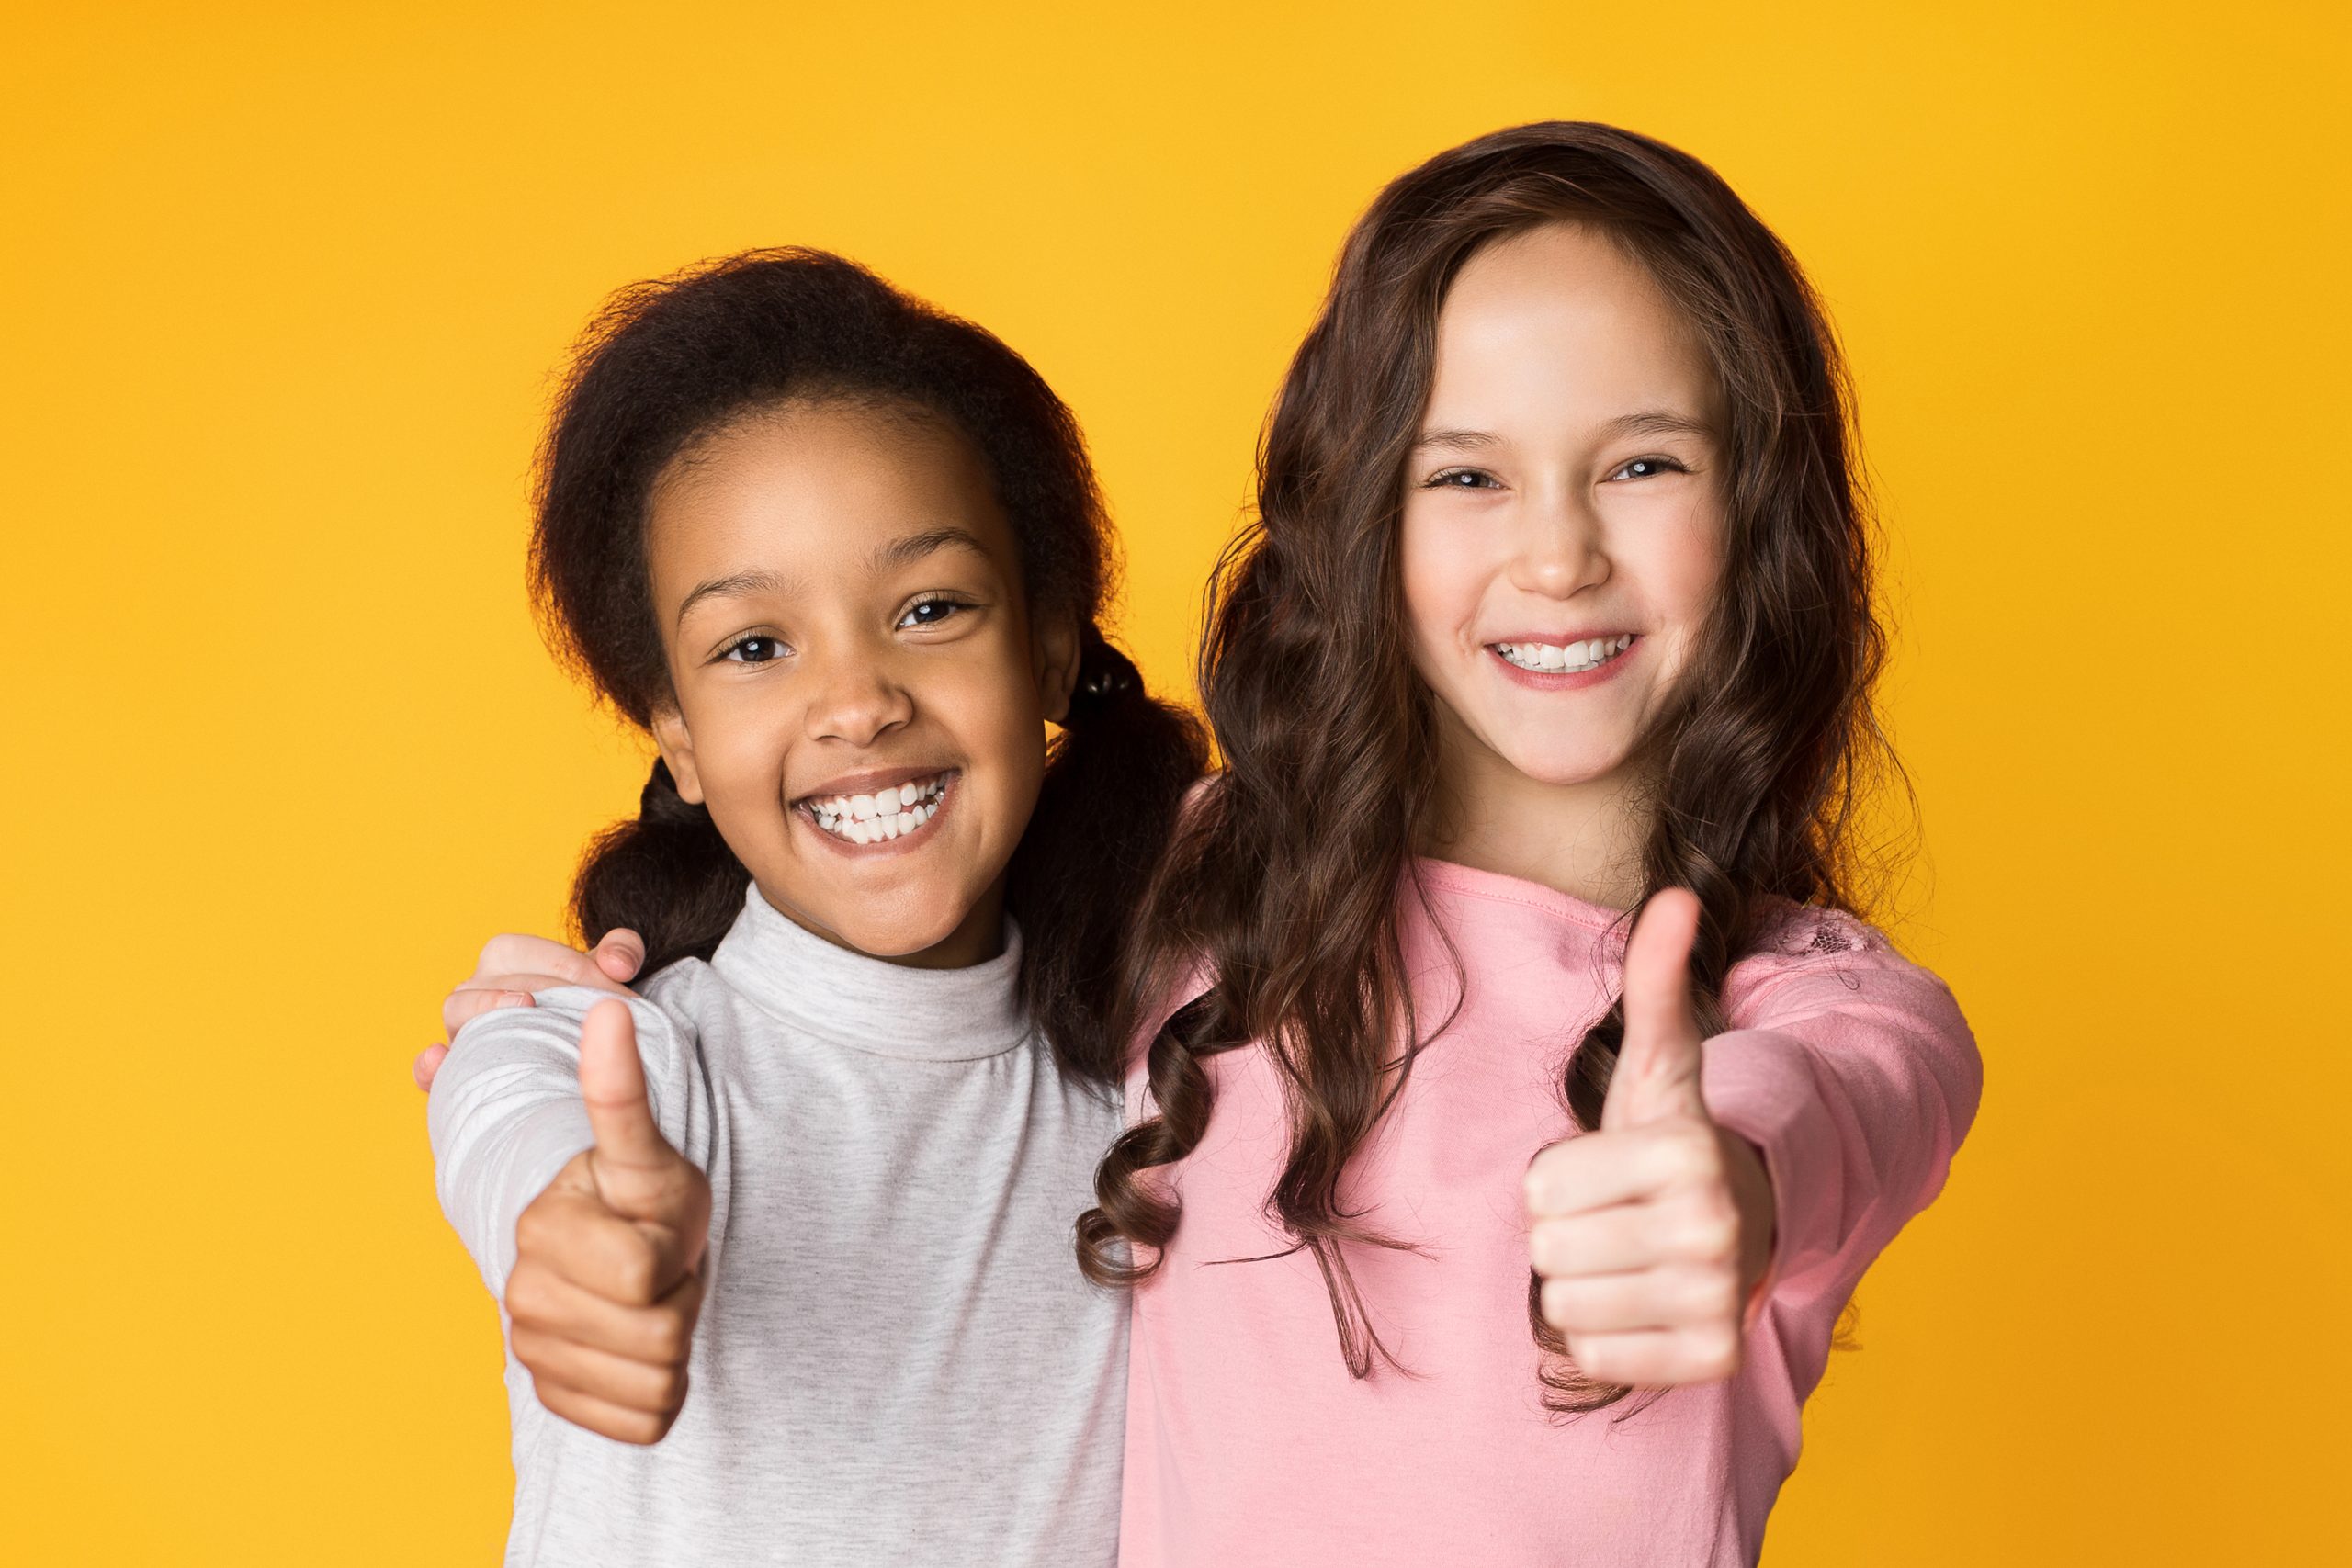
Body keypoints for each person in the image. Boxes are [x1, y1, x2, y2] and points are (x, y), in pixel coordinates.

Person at [1073, 122, 1982, 1565]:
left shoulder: (1826, 1008)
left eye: (1642, 463)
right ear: (1360, 518)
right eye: (1466, 477)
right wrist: (574, 1043)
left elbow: (1836, 1107)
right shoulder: (1189, 887)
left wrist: (1729, 1177)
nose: (1558, 557)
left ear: (1759, 509)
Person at [424, 247, 1202, 1566]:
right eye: (754, 647)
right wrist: (574, 1237)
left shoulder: (1156, 1098)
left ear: (1051, 649)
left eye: (930, 608)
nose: (857, 702)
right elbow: (513, 1123)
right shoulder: (621, 1051)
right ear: (673, 731)